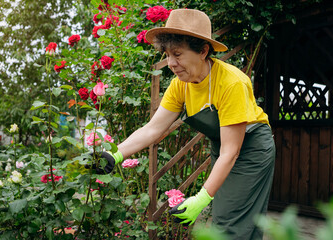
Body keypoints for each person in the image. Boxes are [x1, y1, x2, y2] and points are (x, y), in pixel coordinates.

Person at [93, 9, 275, 240]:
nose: (170, 63)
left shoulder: (232, 83)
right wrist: (115, 155)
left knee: (232, 222)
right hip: (224, 145)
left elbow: (232, 151)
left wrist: (201, 198)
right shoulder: (182, 84)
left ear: (203, 51)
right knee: (226, 218)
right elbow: (153, 128)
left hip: (251, 148)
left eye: (177, 54)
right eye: (167, 55)